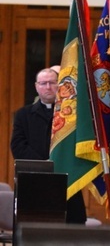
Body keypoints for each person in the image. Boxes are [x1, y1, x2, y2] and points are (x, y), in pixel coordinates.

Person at [10, 68, 87, 224]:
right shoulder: (23, 115)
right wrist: (45, 165)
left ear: (59, 85)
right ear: (36, 86)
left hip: (66, 179)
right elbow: (18, 146)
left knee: (71, 227)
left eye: (52, 83)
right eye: (43, 83)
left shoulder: (72, 115)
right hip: (34, 181)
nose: (48, 87)